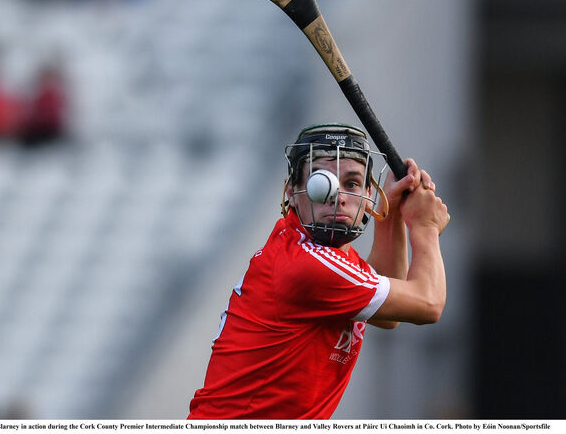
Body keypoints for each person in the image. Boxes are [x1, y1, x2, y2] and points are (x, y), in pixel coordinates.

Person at [188, 123, 449, 419]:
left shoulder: (321, 256)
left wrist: (391, 216)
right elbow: (428, 303)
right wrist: (425, 226)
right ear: (292, 191)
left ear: (369, 195)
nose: (336, 196)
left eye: (351, 184)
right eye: (321, 182)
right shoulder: (310, 267)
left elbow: (389, 315)